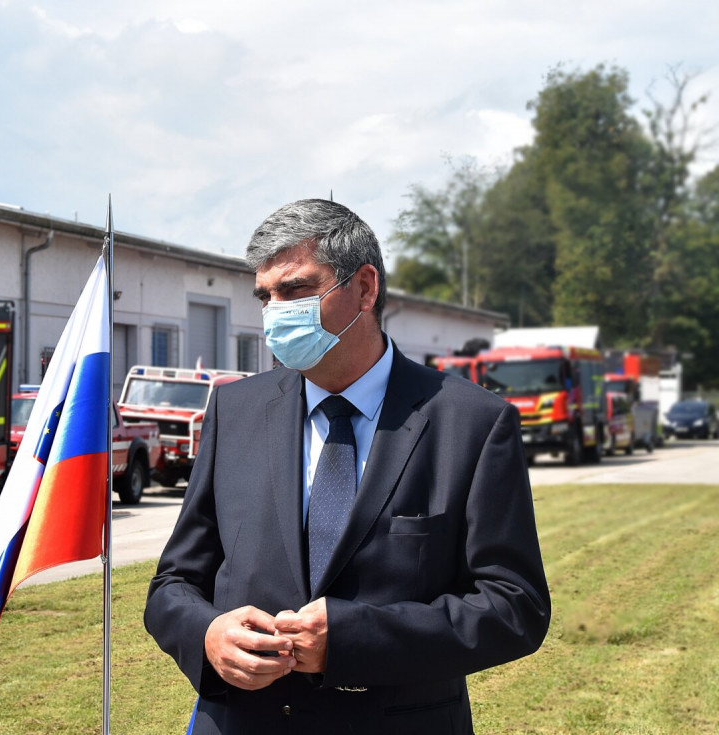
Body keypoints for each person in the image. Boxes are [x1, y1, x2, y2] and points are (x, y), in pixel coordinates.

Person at [145, 199, 550, 734]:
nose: (275, 312)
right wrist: (206, 635)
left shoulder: (471, 422)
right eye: (265, 296)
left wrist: (355, 638)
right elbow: (174, 582)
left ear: (364, 288)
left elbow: (513, 607)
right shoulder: (235, 410)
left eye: (295, 290)